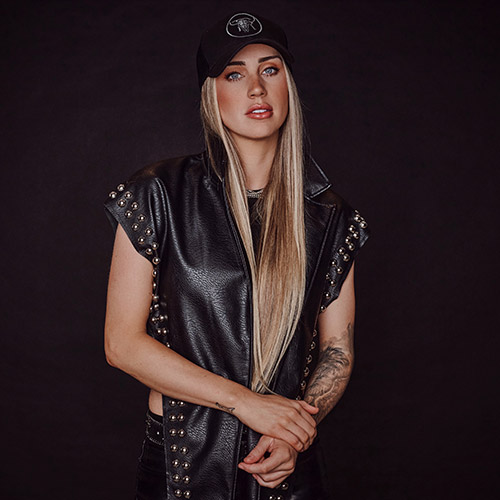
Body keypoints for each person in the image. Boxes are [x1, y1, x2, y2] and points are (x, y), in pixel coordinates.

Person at [104, 11, 370, 500]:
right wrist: (246, 403)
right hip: (182, 465)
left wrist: (295, 433)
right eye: (234, 74)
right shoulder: (158, 194)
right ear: (211, 94)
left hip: (286, 464)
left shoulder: (331, 218)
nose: (256, 89)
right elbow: (122, 344)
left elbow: (338, 350)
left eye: (270, 70)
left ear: (288, 85)